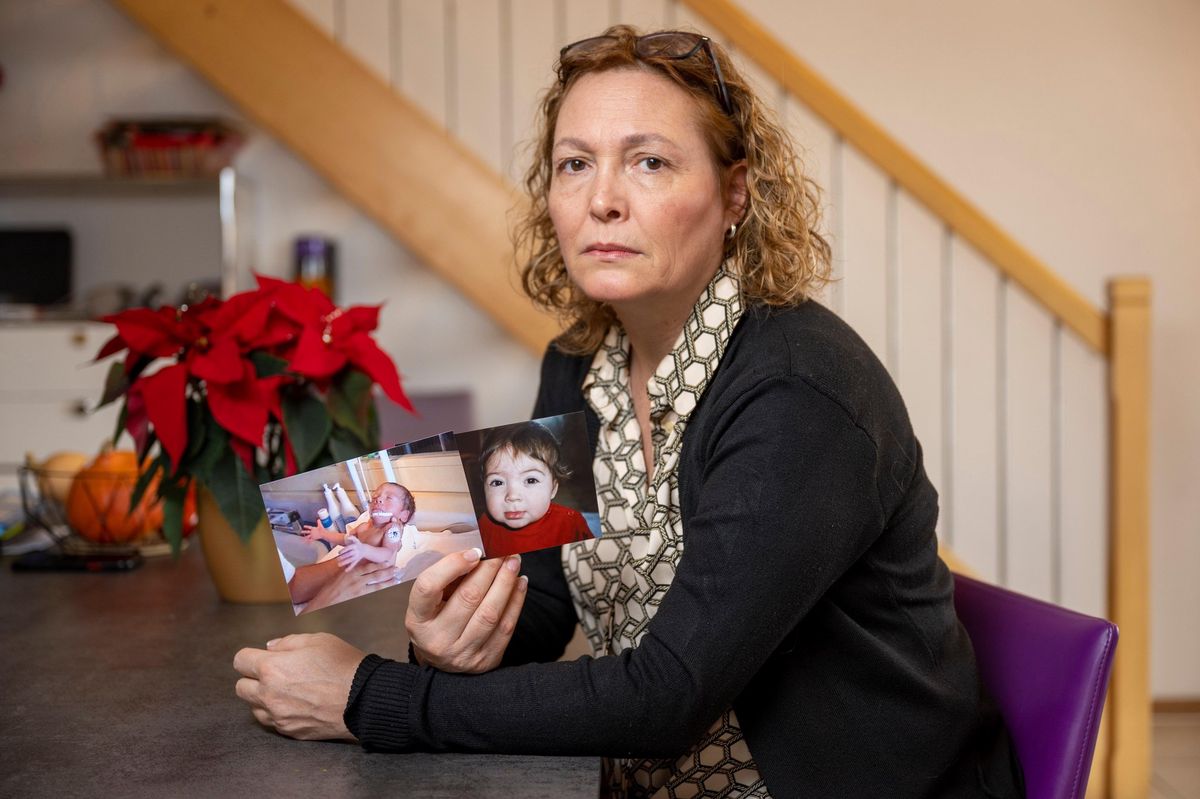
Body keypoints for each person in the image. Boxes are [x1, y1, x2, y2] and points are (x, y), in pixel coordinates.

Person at [234, 26, 1025, 797]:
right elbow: (546, 601)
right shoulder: (578, 362)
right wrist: (456, 640)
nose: (603, 200)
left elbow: (668, 694)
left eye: (650, 162)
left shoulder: (797, 392)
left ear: (735, 194)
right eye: (575, 164)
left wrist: (368, 697)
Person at [286, 482, 419, 610]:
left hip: (373, 583)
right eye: (375, 497)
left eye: (388, 498)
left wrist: (363, 550)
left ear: (404, 515)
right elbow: (345, 539)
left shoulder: (392, 528)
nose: (378, 500)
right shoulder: (364, 527)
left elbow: (387, 553)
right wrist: (323, 534)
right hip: (348, 579)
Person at [476, 421, 594, 558]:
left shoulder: (570, 522)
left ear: (553, 489)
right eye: (497, 482)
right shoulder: (484, 525)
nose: (513, 496)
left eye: (531, 480)